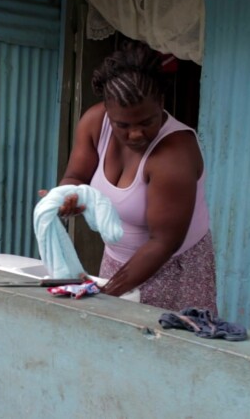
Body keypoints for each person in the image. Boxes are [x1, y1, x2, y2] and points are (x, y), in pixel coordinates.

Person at [56, 42, 217, 314]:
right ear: (107, 110)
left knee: (166, 337)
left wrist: (106, 294)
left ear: (161, 103)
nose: (135, 134)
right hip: (116, 262)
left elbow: (163, 242)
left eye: (146, 122)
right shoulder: (95, 123)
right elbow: (76, 176)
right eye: (123, 125)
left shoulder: (174, 154)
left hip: (174, 270)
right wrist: (66, 197)